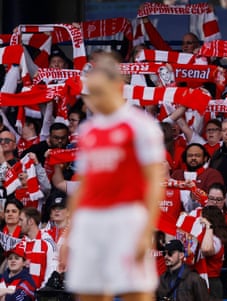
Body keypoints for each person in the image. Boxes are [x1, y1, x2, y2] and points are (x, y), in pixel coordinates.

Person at [64, 52, 166, 301]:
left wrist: (145, 229)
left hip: (126, 218)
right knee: (89, 294)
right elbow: (84, 185)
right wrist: (68, 234)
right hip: (90, 220)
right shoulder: (88, 130)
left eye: (100, 91)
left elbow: (154, 182)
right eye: (90, 93)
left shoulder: (142, 126)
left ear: (119, 87)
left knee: (136, 293)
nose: (94, 100)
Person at [0, 207, 57, 289]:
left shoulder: (48, 243)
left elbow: (52, 271)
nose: (19, 224)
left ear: (30, 222)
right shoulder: (20, 245)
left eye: (21, 220)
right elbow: (11, 272)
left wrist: (41, 293)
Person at [198, 206, 227, 301]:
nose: (199, 220)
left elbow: (206, 249)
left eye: (202, 218)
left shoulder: (216, 239)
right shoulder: (205, 234)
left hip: (211, 282)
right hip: (199, 280)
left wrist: (209, 227)